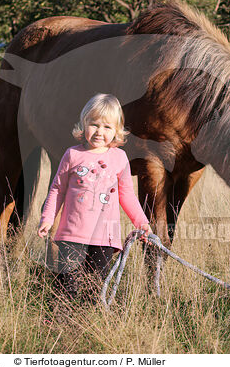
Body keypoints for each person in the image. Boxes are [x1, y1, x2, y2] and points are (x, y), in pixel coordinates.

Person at [37, 93, 153, 301]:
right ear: (84, 125)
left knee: (95, 288)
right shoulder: (72, 155)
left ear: (117, 131)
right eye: (94, 124)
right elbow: (57, 189)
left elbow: (127, 195)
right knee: (66, 287)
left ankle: (89, 326)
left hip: (105, 238)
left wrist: (141, 223)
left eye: (107, 127)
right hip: (72, 235)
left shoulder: (119, 158)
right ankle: (59, 325)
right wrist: (47, 219)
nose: (100, 132)